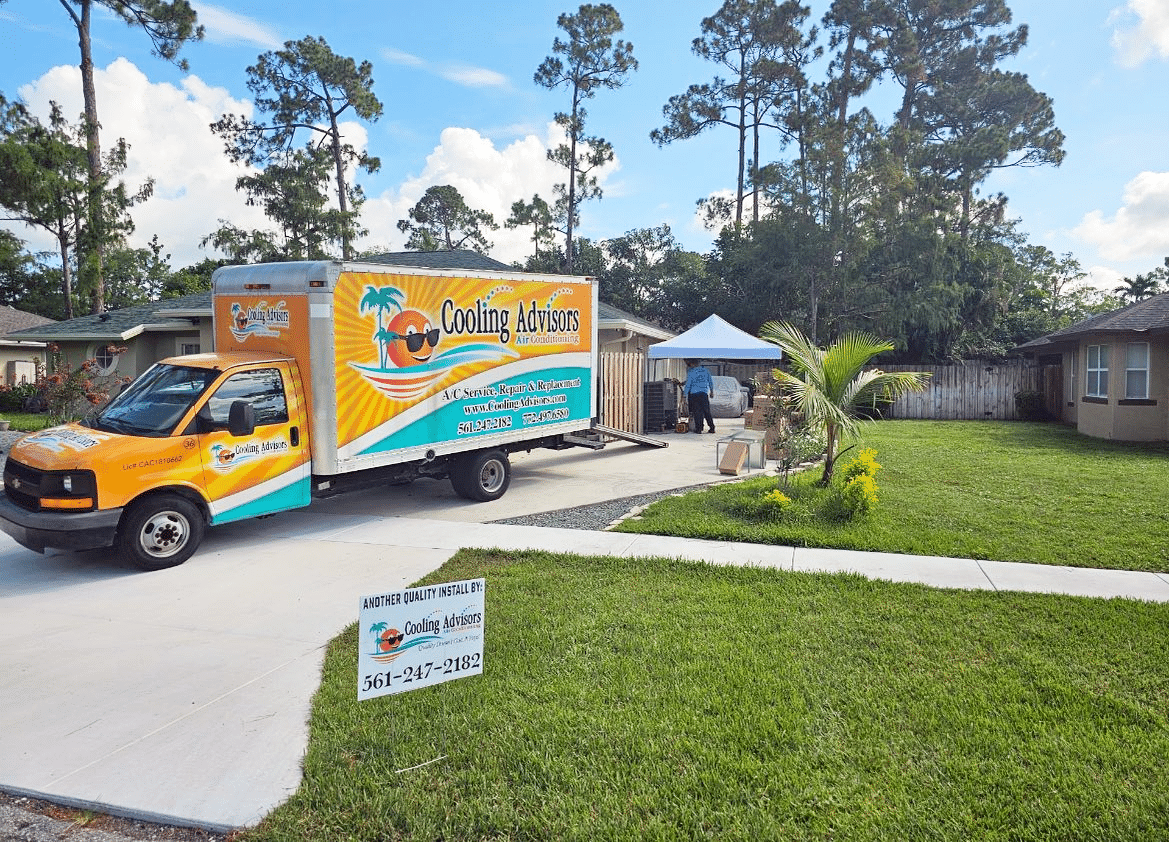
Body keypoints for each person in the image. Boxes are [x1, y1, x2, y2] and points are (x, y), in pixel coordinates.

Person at [682, 359, 716, 434]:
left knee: (697, 412)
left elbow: (688, 385)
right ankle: (712, 428)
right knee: (707, 411)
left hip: (694, 394)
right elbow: (710, 381)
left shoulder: (691, 372)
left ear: (693, 364)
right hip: (704, 394)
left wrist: (684, 395)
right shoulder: (706, 370)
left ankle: (699, 429)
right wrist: (712, 391)